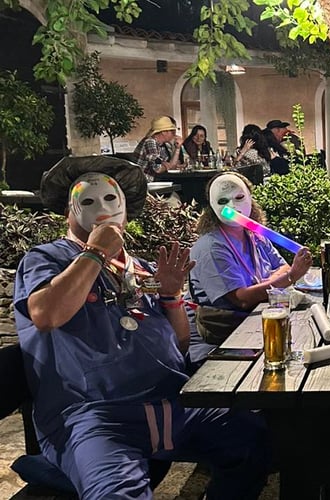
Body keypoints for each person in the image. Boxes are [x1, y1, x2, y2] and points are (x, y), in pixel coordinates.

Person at [14, 156, 271, 499]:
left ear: (125, 210)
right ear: (68, 211)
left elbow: (179, 344)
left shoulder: (140, 268)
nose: (102, 207)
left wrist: (171, 297)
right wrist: (95, 252)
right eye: (87, 200)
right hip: (97, 417)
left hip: (171, 405)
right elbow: (46, 314)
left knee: (254, 439)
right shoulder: (46, 259)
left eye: (111, 198)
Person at [187, 171, 312, 364]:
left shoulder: (255, 234)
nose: (232, 206)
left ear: (250, 199)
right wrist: (289, 277)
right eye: (223, 201)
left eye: (239, 197)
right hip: (221, 344)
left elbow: (283, 266)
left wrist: (273, 281)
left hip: (257, 327)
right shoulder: (211, 248)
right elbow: (242, 299)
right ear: (212, 205)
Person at [134, 116, 183, 180]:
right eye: (172, 132)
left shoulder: (162, 145)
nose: (175, 134)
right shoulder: (150, 142)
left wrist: (177, 148)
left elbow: (172, 166)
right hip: (144, 182)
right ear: (164, 132)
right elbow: (157, 169)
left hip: (156, 181)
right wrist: (166, 165)